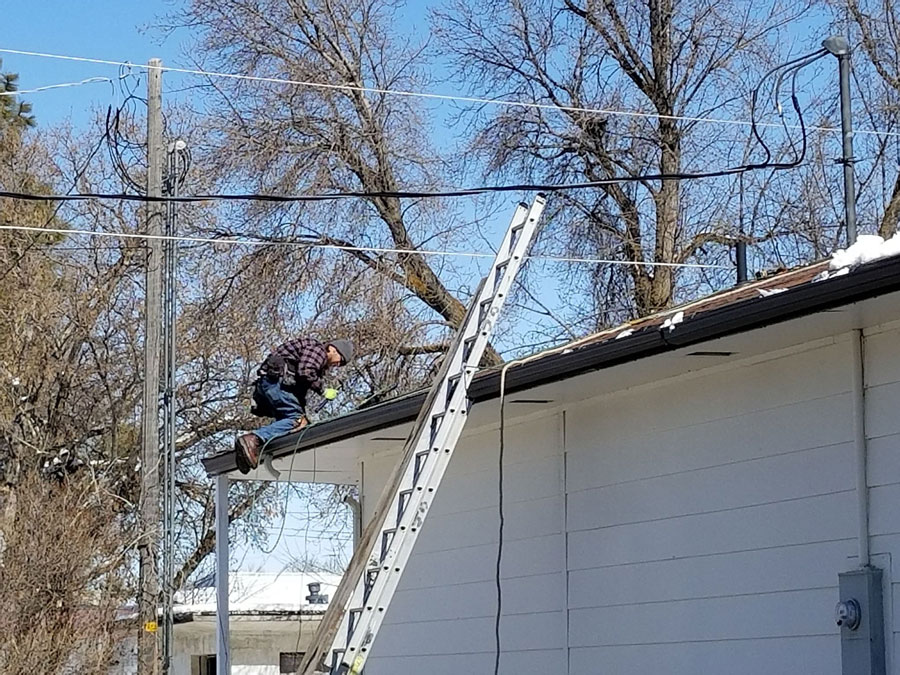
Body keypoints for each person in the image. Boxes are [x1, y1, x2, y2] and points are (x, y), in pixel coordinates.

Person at [234, 337, 353, 473]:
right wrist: (323, 390)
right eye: (340, 359)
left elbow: (299, 388)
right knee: (296, 420)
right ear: (332, 349)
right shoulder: (318, 351)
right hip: (277, 384)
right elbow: (306, 371)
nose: (338, 364)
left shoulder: (310, 353)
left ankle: (250, 452)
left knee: (289, 425)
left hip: (269, 385)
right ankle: (252, 439)